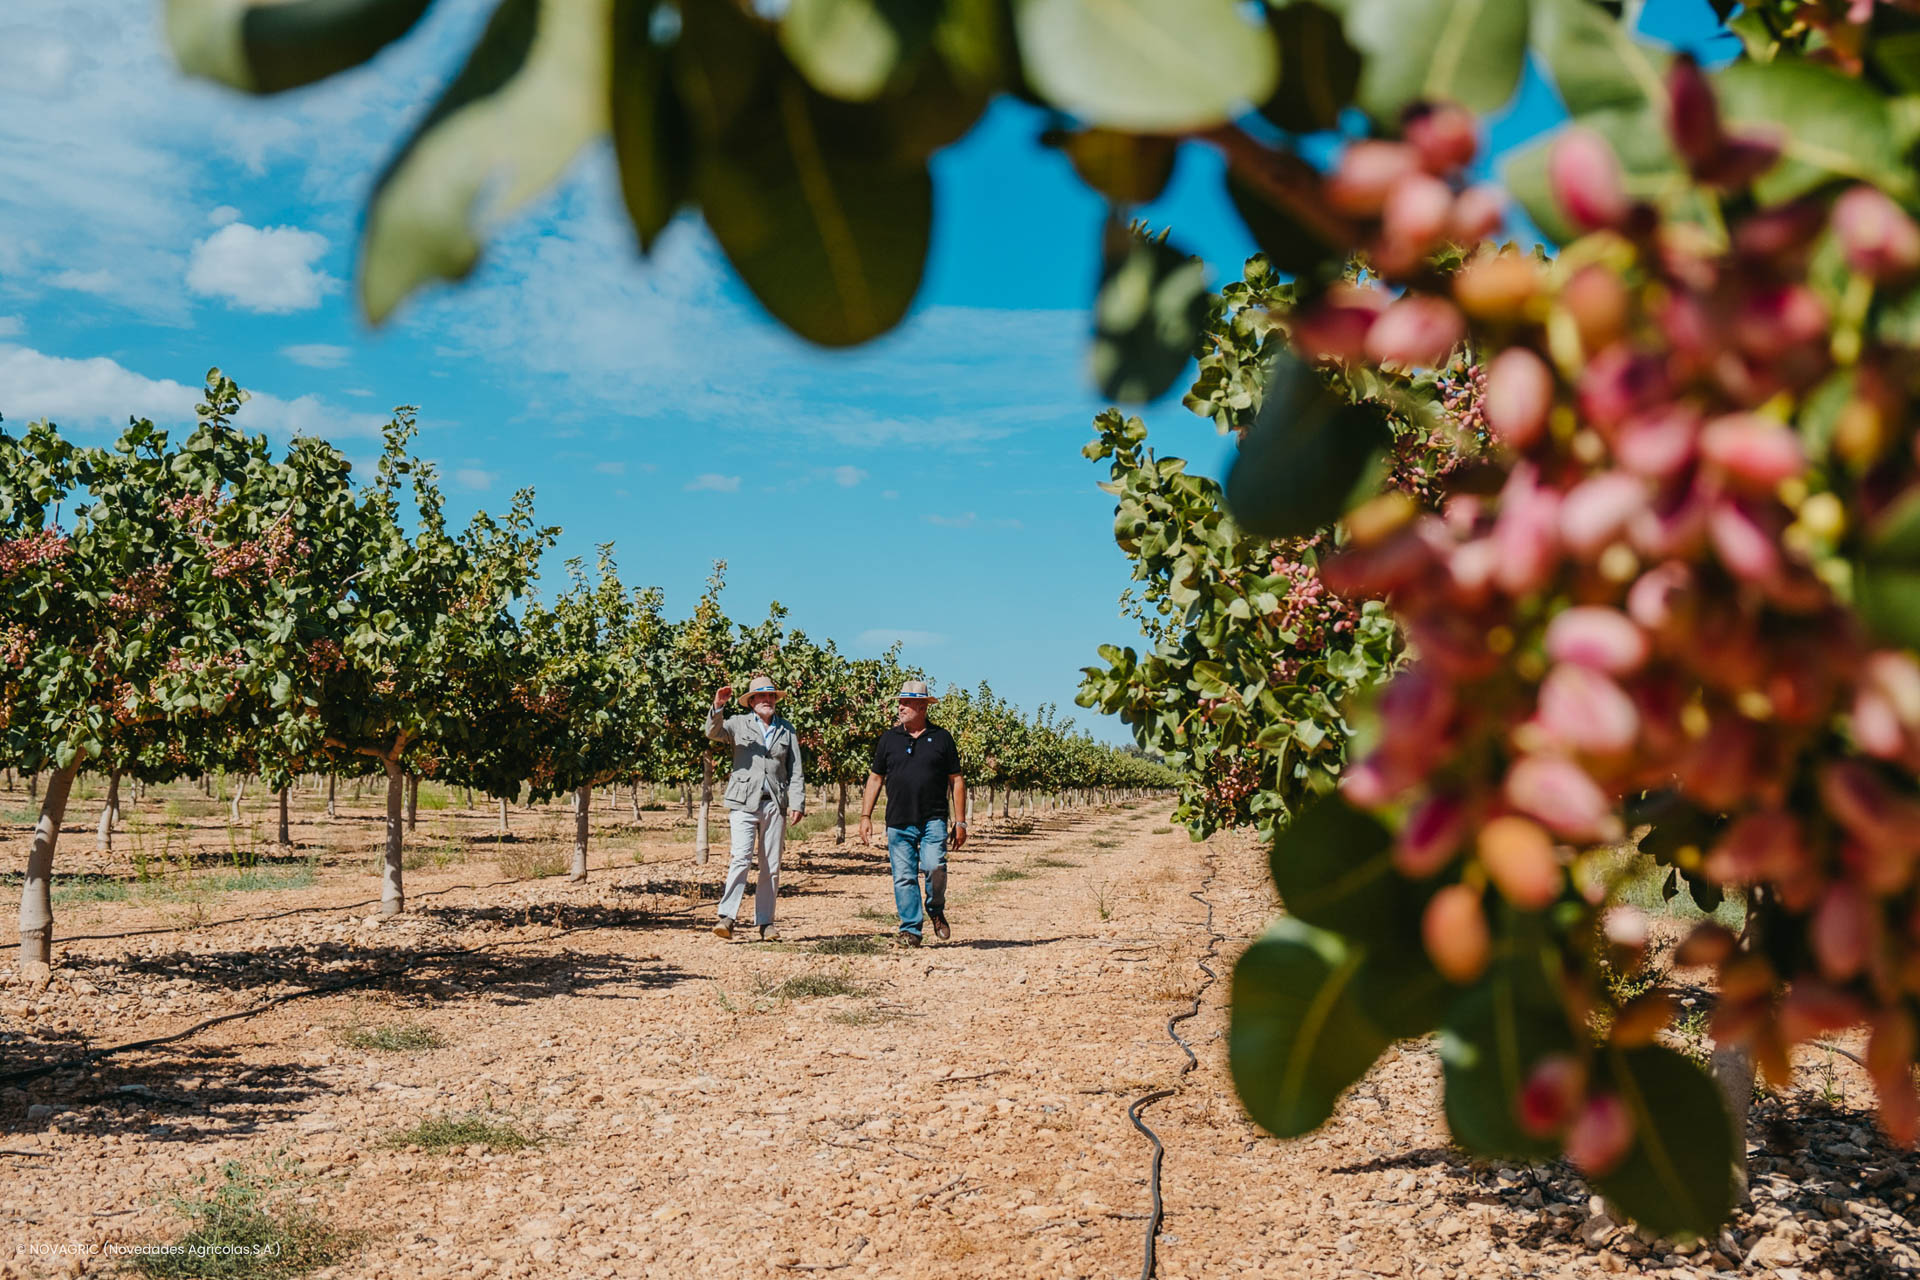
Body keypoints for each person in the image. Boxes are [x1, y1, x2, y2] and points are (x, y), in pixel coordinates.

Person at [858, 679, 967, 947]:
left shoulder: (941, 738)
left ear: (922, 707)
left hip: (933, 819)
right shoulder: (889, 739)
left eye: (907, 703)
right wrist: (865, 816)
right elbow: (875, 778)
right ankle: (911, 930)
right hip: (898, 821)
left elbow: (956, 780)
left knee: (934, 866)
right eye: (900, 702)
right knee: (904, 877)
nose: (901, 707)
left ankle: (935, 908)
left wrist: (961, 821)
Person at [706, 673, 805, 941]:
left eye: (771, 696)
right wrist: (718, 706)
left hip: (774, 803)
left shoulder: (787, 729)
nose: (767, 700)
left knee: (771, 865)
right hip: (743, 802)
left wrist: (797, 802)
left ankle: (766, 923)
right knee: (740, 858)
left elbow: (795, 769)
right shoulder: (737, 724)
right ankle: (727, 917)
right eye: (761, 696)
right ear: (751, 701)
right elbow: (713, 732)